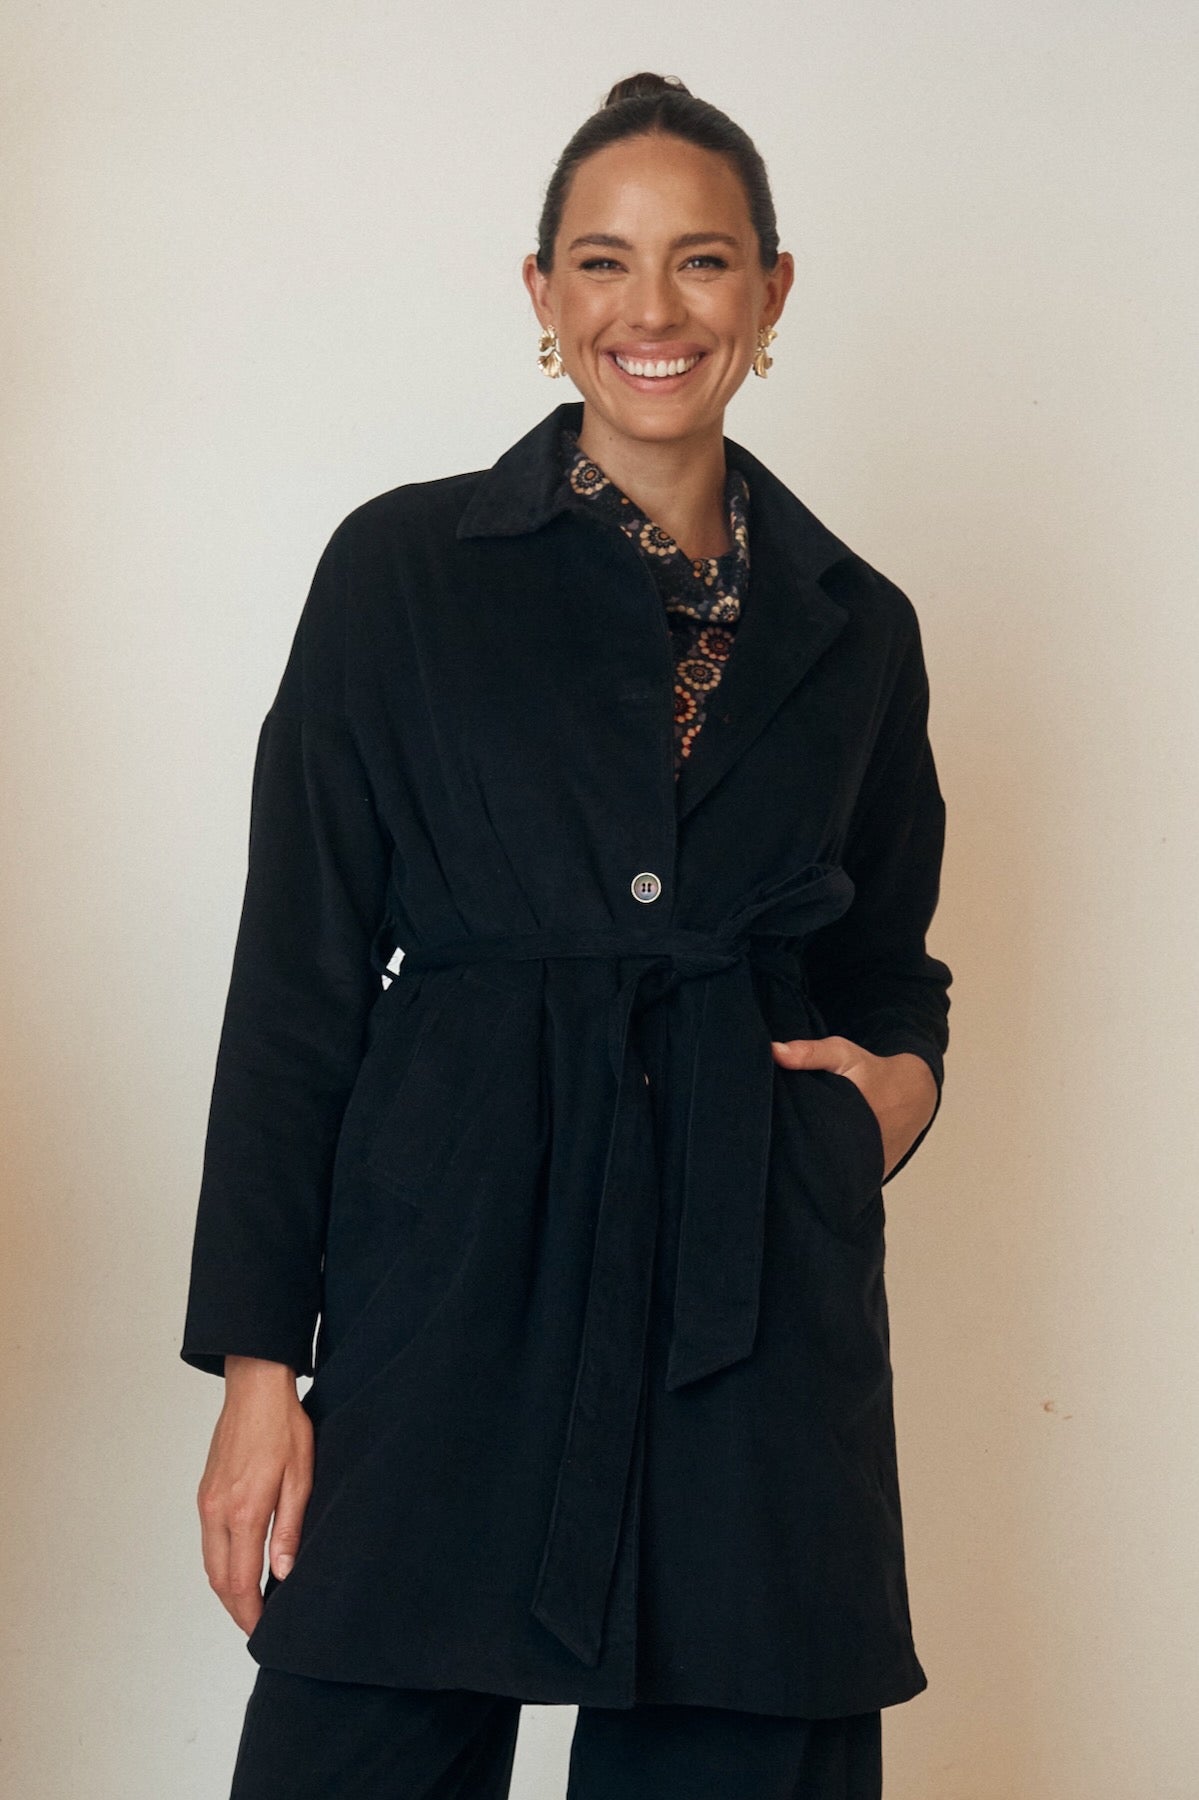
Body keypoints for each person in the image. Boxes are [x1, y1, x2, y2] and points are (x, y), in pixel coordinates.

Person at [181, 70, 952, 1800]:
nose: (651, 310)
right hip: (448, 1272)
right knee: (351, 1743)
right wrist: (259, 1369)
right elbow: (296, 985)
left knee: (743, 1742)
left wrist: (885, 1104)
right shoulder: (402, 574)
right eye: (604, 262)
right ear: (542, 292)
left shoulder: (857, 626)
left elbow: (890, 965)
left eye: (702, 260)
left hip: (756, 1298)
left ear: (771, 290)